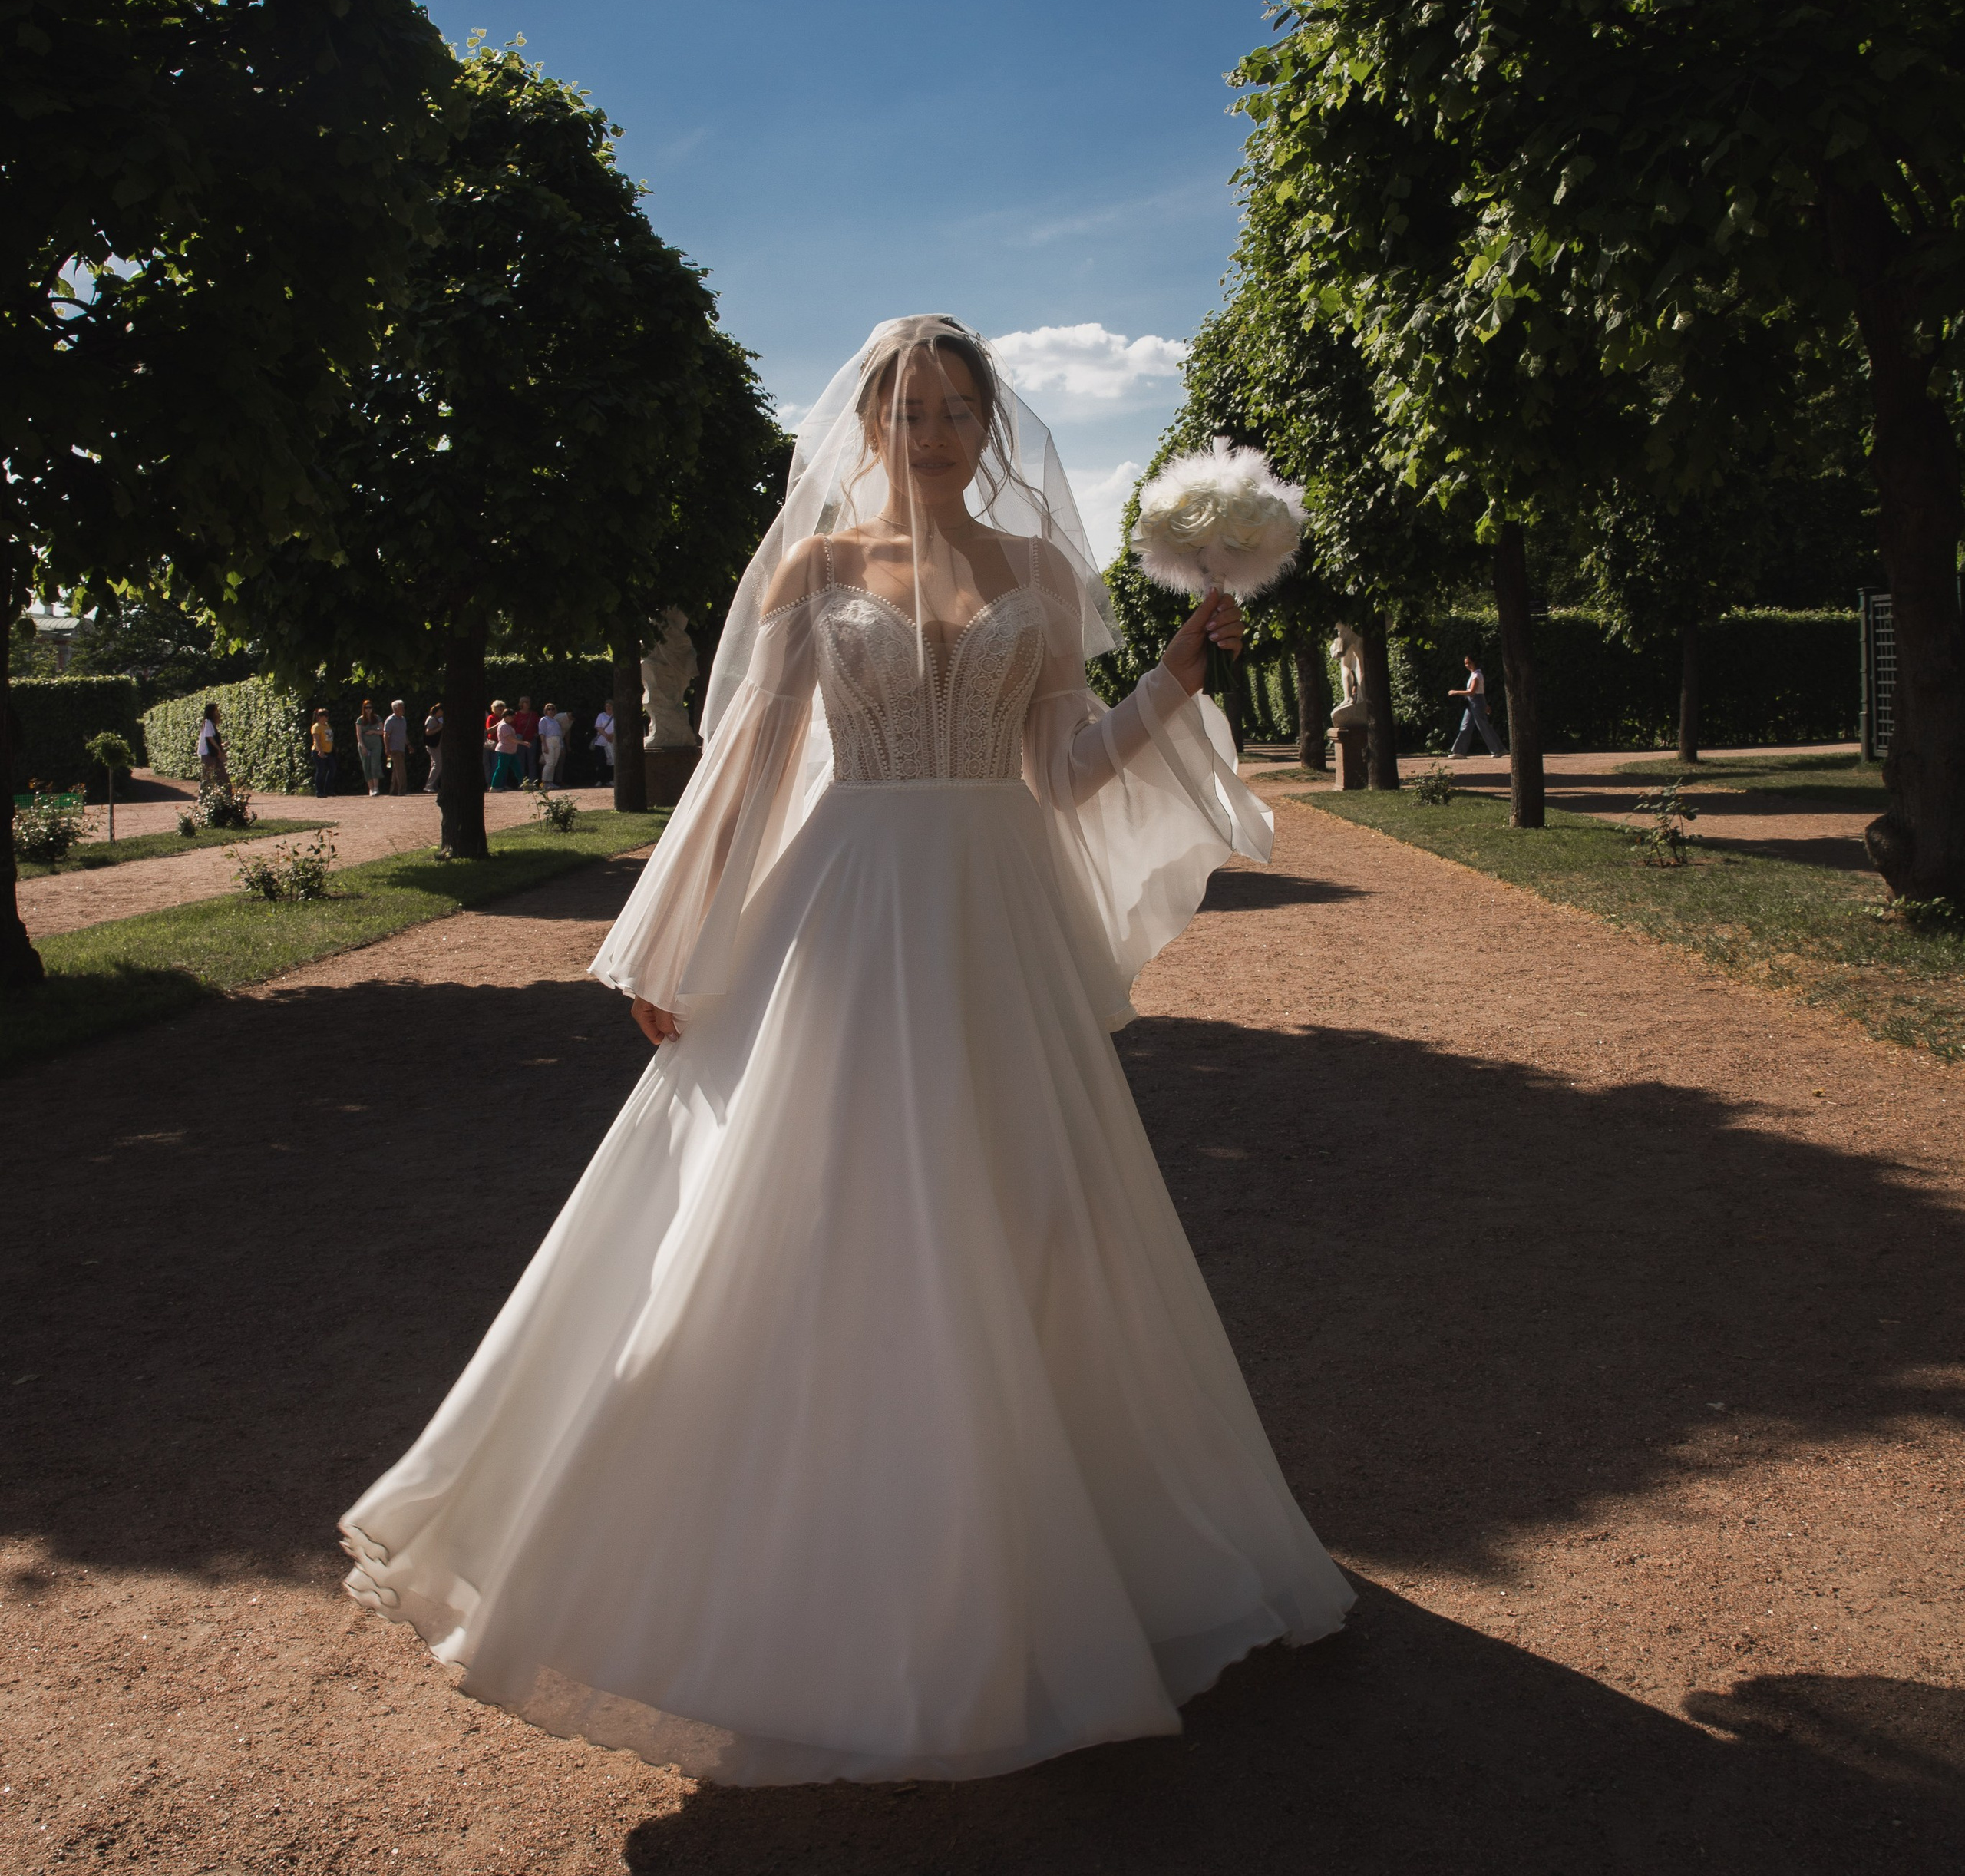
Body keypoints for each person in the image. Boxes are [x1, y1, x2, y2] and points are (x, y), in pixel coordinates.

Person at [344, 315, 1351, 1788]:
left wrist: (1178, 676)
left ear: (989, 424)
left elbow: (1063, 774)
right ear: (868, 425)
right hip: (847, 908)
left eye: (956, 409)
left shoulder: (1041, 571)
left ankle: (1040, 1547)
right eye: (909, 409)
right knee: (801, 1207)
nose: (932, 432)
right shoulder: (817, 568)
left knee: (1027, 1212)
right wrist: (676, 940)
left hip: (993, 920)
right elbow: (748, 772)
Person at [1448, 653, 1506, 758]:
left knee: (1483, 726)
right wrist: (1485, 704)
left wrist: (1456, 692)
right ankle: (1459, 751)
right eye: (1466, 663)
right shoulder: (1474, 675)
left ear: (1475, 662)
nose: (1467, 665)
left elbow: (1472, 692)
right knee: (1465, 726)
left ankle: (1498, 750)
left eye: (1469, 663)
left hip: (1476, 702)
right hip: (1473, 702)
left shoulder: (1477, 675)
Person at [487, 703, 524, 791]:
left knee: (517, 768)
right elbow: (510, 738)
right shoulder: (504, 726)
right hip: (505, 751)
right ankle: (494, 786)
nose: (513, 719)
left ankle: (524, 784)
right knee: (501, 769)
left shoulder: (507, 725)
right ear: (507, 716)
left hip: (510, 751)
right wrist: (524, 743)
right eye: (512, 717)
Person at [195, 703, 230, 795]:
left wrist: (221, 745)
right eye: (216, 710)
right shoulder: (208, 722)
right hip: (208, 753)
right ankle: (204, 796)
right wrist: (219, 749)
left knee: (221, 774)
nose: (217, 712)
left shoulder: (210, 724)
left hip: (212, 753)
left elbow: (211, 739)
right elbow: (209, 738)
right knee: (208, 776)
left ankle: (227, 794)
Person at [355, 697, 385, 798]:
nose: (368, 710)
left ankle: (376, 788)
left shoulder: (377, 718)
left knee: (375, 764)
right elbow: (359, 734)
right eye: (366, 708)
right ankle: (371, 788)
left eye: (370, 707)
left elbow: (382, 731)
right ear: (363, 709)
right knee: (366, 765)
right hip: (364, 745)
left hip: (376, 744)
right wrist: (363, 747)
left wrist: (373, 731)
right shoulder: (360, 720)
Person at [511, 695, 542, 785]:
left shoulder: (534, 714)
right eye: (526, 702)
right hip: (520, 741)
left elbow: (539, 725)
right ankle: (522, 782)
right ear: (521, 704)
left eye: (529, 702)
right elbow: (512, 727)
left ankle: (533, 781)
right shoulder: (517, 715)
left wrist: (537, 733)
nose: (528, 704)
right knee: (521, 762)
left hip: (531, 740)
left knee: (532, 761)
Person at [383, 699, 411, 795]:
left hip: (401, 747)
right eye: (401, 708)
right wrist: (387, 748)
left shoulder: (403, 720)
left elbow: (404, 734)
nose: (403, 710)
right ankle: (402, 790)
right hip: (394, 748)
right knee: (401, 770)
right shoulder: (390, 720)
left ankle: (394, 791)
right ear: (395, 709)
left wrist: (408, 745)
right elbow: (386, 735)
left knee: (397, 770)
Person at [537, 702, 567, 788]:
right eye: (549, 709)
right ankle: (544, 782)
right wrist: (544, 745)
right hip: (548, 741)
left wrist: (561, 745)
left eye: (553, 709)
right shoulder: (544, 720)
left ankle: (550, 782)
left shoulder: (555, 721)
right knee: (549, 762)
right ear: (546, 711)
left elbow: (559, 733)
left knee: (554, 763)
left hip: (557, 742)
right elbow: (542, 733)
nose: (551, 711)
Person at [308, 709, 335, 800]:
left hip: (328, 751)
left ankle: (328, 790)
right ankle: (319, 791)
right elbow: (317, 740)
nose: (327, 717)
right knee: (321, 770)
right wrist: (320, 751)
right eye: (325, 716)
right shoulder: (316, 727)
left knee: (332, 769)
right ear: (320, 717)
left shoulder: (327, 726)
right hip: (318, 751)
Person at [590, 699, 616, 788]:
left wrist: (611, 735)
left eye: (610, 706)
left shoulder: (616, 716)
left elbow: (618, 727)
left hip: (612, 742)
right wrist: (606, 735)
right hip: (601, 742)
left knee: (612, 761)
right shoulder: (601, 715)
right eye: (607, 706)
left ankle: (610, 779)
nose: (608, 708)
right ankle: (599, 780)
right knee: (601, 762)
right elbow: (598, 727)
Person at [423, 701, 444, 794]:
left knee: (435, 764)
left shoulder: (433, 718)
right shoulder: (433, 720)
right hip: (433, 745)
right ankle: (429, 785)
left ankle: (433, 785)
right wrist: (439, 728)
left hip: (434, 745)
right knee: (438, 764)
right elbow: (428, 732)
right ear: (439, 711)